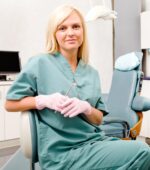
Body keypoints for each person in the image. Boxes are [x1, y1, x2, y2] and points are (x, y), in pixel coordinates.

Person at [5, 4, 150, 170]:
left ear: (83, 31)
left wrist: (87, 108)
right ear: (54, 34)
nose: (70, 33)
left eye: (76, 27)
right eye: (62, 28)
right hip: (62, 152)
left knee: (142, 154)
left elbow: (98, 119)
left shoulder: (91, 73)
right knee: (142, 152)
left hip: (94, 142)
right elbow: (10, 103)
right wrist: (42, 100)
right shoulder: (39, 63)